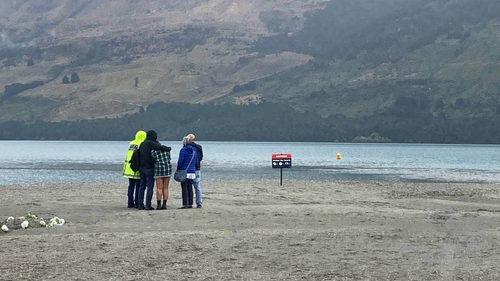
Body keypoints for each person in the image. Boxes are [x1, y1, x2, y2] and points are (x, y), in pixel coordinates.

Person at [138, 130, 171, 211]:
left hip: (141, 168)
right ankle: (148, 205)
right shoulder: (150, 143)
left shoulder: (142, 143)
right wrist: (169, 148)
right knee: (150, 187)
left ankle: (139, 204)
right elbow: (161, 147)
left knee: (141, 187)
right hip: (149, 168)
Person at [123, 130, 146, 208]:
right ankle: (137, 202)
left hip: (129, 169)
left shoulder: (131, 143)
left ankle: (130, 202)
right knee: (138, 186)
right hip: (137, 169)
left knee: (131, 186)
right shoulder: (141, 144)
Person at [177, 136, 198, 209]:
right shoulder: (194, 151)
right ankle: (190, 203)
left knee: (184, 188)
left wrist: (178, 169)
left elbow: (180, 161)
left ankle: (185, 203)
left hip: (184, 170)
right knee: (190, 187)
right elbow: (196, 161)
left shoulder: (183, 150)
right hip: (192, 171)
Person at [151, 141, 172, 210]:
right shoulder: (167, 151)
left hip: (159, 169)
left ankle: (159, 205)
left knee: (159, 188)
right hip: (167, 169)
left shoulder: (154, 152)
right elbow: (169, 159)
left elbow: (153, 160)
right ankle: (164, 204)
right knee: (165, 188)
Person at [187, 133, 203, 208]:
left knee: (189, 186)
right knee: (197, 186)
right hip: (197, 168)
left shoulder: (187, 147)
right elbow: (201, 157)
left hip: (190, 169)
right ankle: (199, 202)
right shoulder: (199, 147)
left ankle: (189, 203)